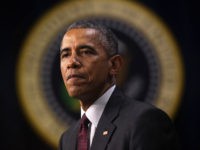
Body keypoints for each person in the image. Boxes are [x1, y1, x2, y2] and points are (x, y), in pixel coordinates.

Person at [59, 20, 179, 150]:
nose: (72, 62)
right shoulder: (67, 139)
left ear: (114, 65)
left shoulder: (144, 122)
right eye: (65, 54)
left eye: (86, 52)